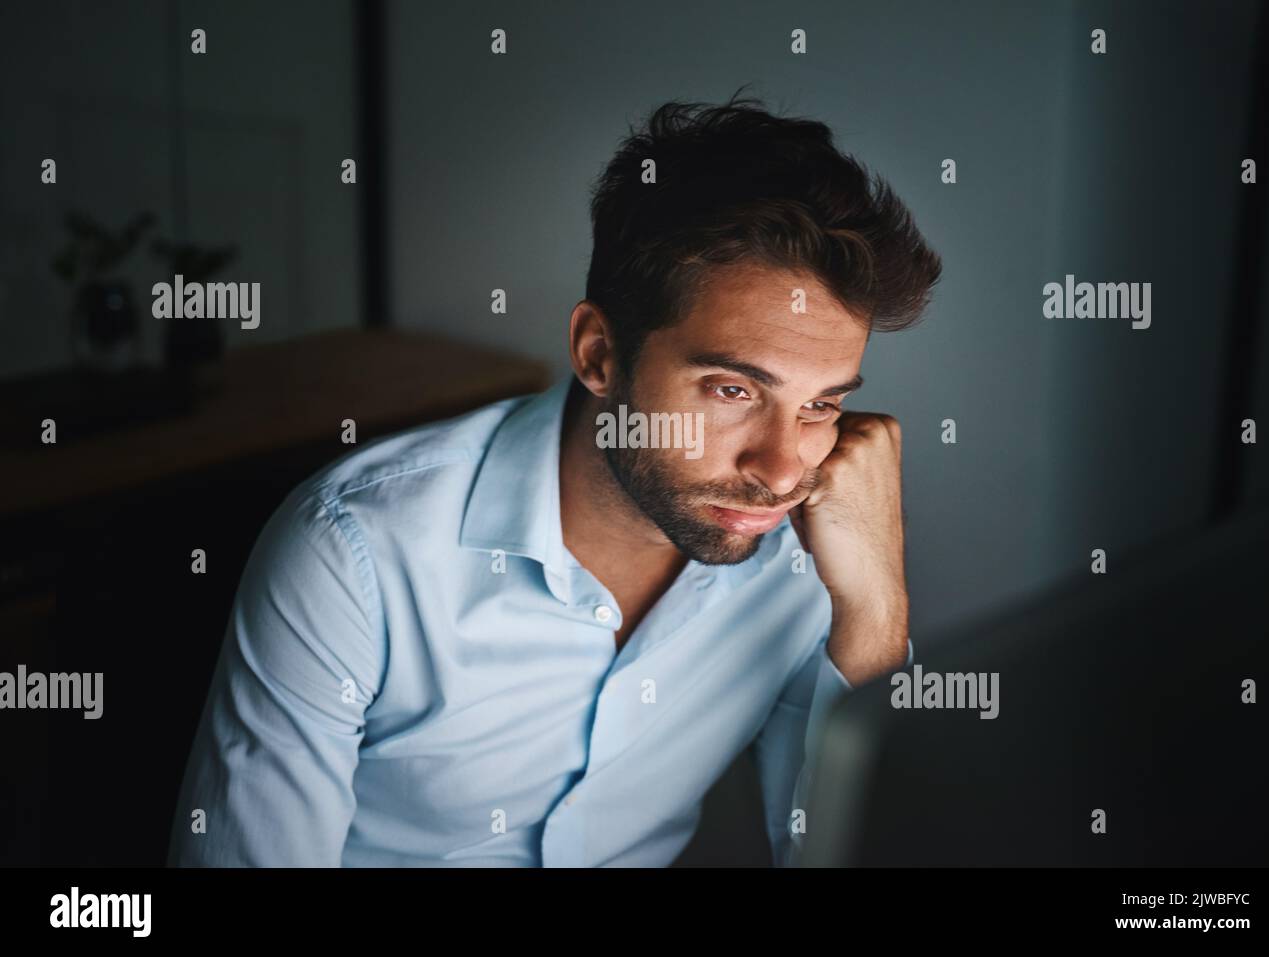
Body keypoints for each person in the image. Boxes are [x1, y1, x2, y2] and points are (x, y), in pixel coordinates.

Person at [168, 90, 941, 867]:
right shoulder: (356, 553)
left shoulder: (812, 553)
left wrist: (878, 612)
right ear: (599, 353)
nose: (780, 468)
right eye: (732, 390)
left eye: (820, 404)